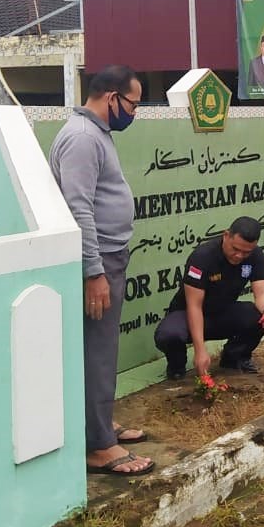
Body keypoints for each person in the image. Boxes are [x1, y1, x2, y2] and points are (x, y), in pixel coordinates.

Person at [49, 64, 153, 477]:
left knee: (103, 350)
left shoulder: (97, 134)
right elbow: (79, 209)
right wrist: (93, 271)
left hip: (110, 257)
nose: (134, 112)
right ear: (112, 97)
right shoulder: (81, 138)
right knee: (96, 353)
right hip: (98, 264)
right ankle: (98, 446)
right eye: (133, 103)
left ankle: (99, 425)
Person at [154, 216, 264, 378]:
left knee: (259, 318)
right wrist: (200, 351)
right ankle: (177, 367)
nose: (239, 256)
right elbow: (194, 306)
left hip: (222, 312)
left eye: (246, 252)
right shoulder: (202, 257)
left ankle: (234, 358)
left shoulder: (256, 256)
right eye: (235, 249)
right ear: (226, 235)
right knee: (168, 334)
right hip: (188, 314)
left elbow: (261, 292)